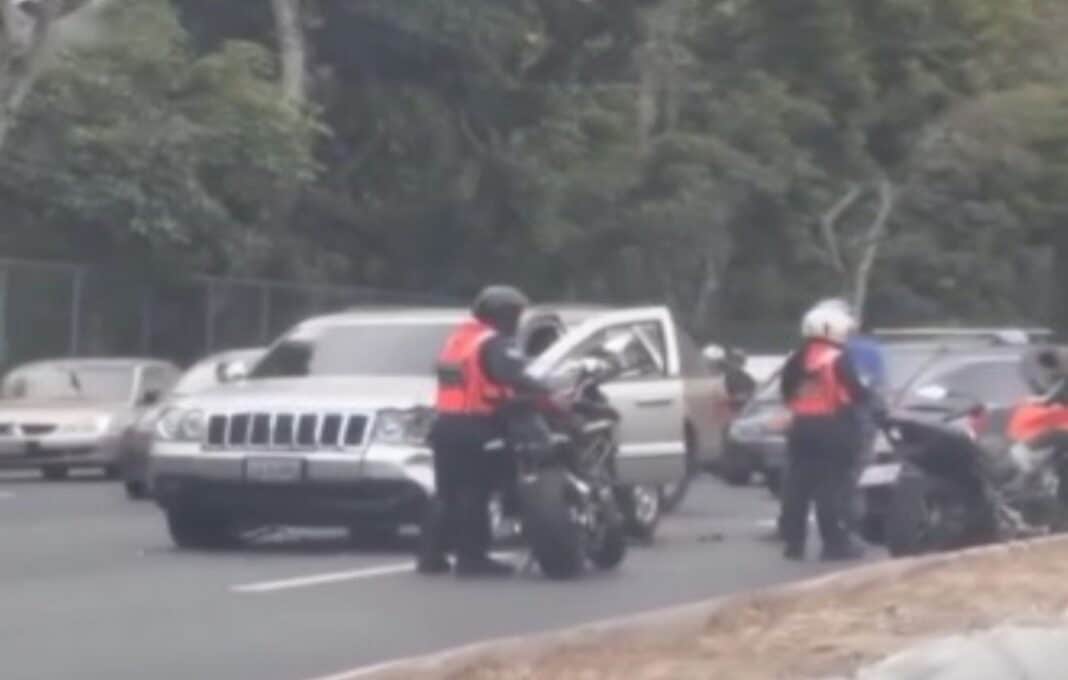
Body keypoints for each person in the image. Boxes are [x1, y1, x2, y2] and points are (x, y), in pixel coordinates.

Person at [416, 285, 552, 577]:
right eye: (514, 315)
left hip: (446, 424)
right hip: (477, 425)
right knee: (473, 493)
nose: (516, 321)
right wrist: (547, 390)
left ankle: (431, 557)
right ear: (500, 315)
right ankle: (472, 559)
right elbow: (515, 375)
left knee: (445, 494)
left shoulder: (458, 340)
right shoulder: (494, 343)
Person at [778, 301, 872, 561]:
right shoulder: (838, 359)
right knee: (832, 487)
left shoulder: (796, 359)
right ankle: (835, 543)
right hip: (834, 427)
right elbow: (858, 392)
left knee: (797, 486)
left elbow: (785, 393)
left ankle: (793, 543)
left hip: (801, 428)